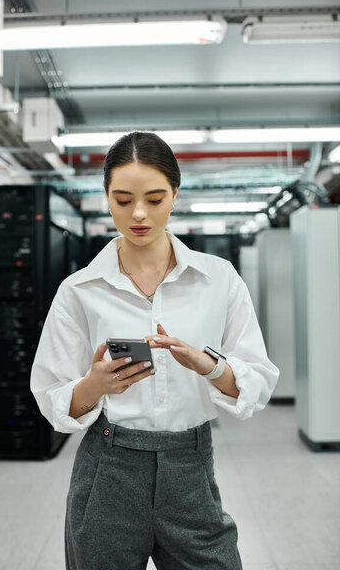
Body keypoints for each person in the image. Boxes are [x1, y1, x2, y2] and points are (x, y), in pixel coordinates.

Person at [30, 131, 279, 570]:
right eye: (123, 200)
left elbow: (258, 377)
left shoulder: (218, 279)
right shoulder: (80, 290)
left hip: (191, 468)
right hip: (108, 468)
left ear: (175, 195)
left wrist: (210, 367)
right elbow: (51, 394)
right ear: (107, 198)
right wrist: (93, 385)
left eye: (155, 198)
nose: (139, 214)